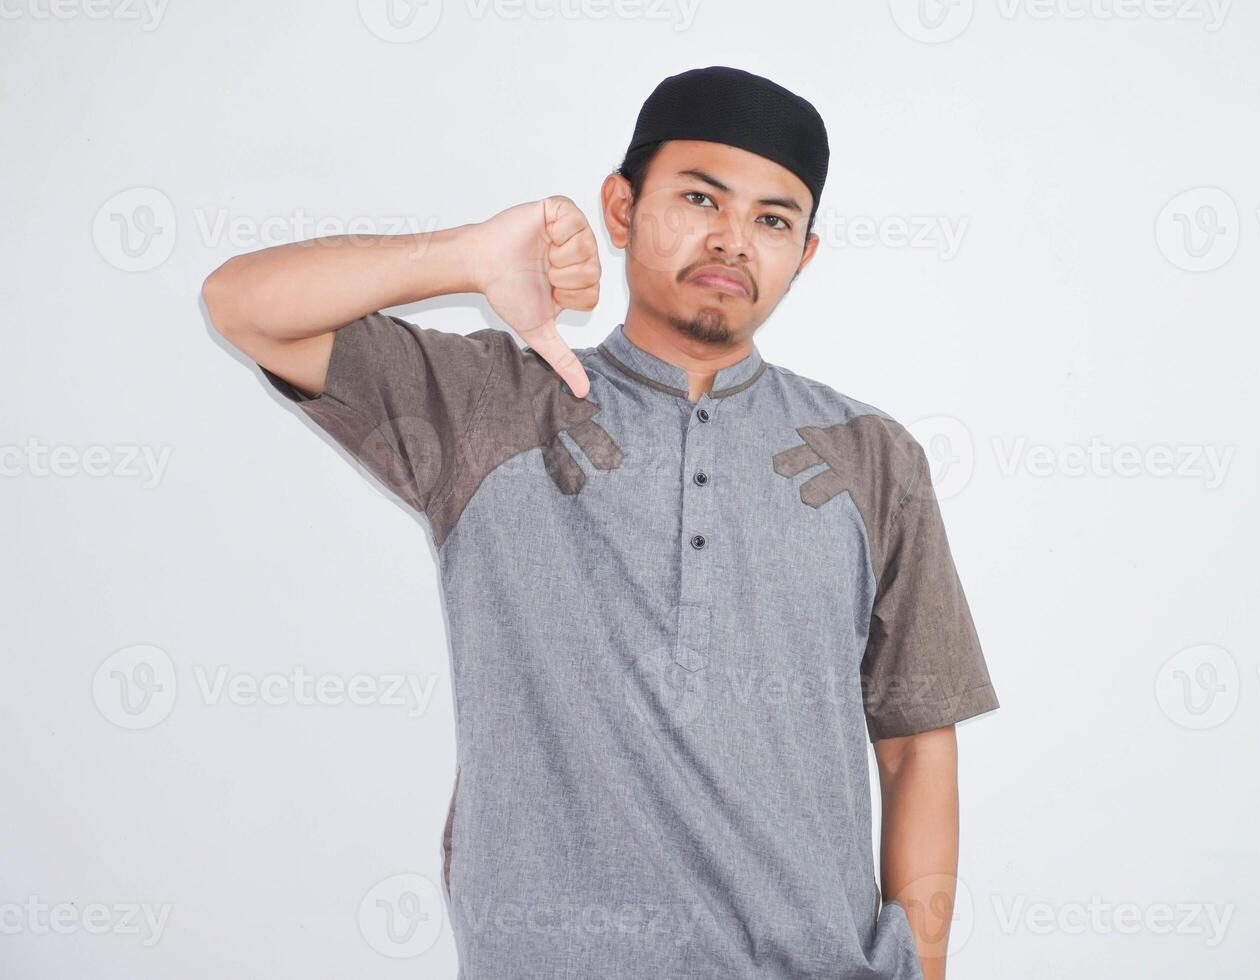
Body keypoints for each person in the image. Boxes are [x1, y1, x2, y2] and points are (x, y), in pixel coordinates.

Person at [202, 64, 998, 980]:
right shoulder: (490, 409)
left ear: (804, 254)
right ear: (620, 209)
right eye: (701, 197)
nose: (733, 240)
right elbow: (244, 305)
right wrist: (466, 256)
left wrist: (924, 963)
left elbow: (914, 747)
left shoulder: (870, 456)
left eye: (773, 220)